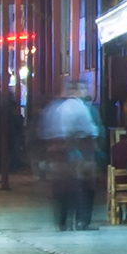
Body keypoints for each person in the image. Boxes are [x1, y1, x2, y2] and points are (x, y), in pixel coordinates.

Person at [38, 81, 101, 230]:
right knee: (84, 186)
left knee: (62, 189)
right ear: (77, 91)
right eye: (84, 89)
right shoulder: (80, 108)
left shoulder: (56, 108)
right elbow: (90, 130)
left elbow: (46, 131)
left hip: (57, 152)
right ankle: (82, 220)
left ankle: (62, 220)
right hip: (80, 150)